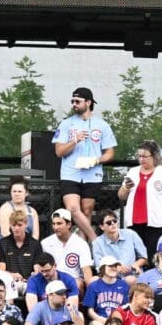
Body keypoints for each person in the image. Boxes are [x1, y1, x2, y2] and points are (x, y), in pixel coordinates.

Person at [57, 92, 119, 235]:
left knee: (87, 210)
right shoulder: (67, 123)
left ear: (88, 102)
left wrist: (96, 160)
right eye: (72, 101)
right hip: (70, 172)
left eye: (77, 101)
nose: (74, 104)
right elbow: (59, 151)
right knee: (72, 209)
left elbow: (110, 152)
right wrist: (74, 140)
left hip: (92, 173)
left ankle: (84, 248)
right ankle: (94, 239)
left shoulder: (102, 125)